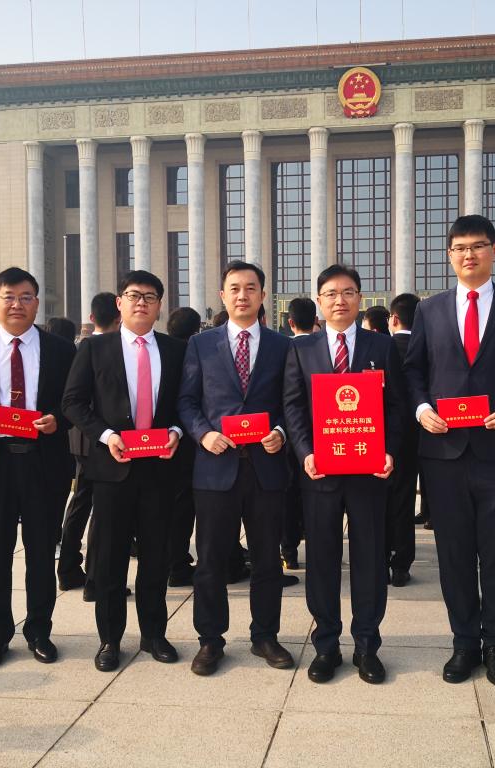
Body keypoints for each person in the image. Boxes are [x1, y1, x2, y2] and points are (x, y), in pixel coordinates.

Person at [403, 214, 495, 688]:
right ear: (450, 255)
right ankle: (464, 641)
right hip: (443, 452)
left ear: (494, 251)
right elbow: (414, 370)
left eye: (478, 246)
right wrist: (422, 408)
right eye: (460, 247)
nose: (469, 254)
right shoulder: (430, 310)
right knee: (454, 553)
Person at [283, 265, 402, 684]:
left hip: (369, 472)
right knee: (322, 559)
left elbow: (397, 407)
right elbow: (293, 406)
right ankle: (326, 644)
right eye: (331, 293)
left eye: (348, 292)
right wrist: (305, 452)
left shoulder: (382, 347)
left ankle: (367, 644)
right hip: (321, 473)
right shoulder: (301, 349)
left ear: (360, 299)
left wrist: (389, 450)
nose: (340, 300)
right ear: (319, 301)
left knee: (370, 558)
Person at [63, 271, 186, 672]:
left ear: (160, 305)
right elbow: (73, 402)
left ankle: (154, 634)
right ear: (119, 303)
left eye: (150, 297)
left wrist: (176, 430)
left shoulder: (176, 350)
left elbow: (186, 401)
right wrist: (106, 435)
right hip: (112, 470)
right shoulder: (94, 348)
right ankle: (109, 639)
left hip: (160, 471)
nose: (141, 303)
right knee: (110, 560)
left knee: (156, 557)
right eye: (133, 295)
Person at [177, 260, 294, 677]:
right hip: (215, 467)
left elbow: (291, 402)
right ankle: (210, 639)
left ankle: (265, 635)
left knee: (267, 560)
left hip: (266, 469)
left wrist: (280, 430)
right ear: (222, 296)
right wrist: (203, 434)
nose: (242, 295)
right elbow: (187, 401)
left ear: (263, 295)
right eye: (234, 288)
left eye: (251, 288)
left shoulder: (283, 346)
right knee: (210, 560)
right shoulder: (201, 345)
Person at [0, 267, 76, 670]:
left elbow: (75, 402)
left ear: (37, 304)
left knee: (41, 554)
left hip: (43, 462)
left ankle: (39, 631)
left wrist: (59, 419)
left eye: (26, 297)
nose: (17, 304)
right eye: (8, 297)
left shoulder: (61, 349)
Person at [59, 293, 121, 600]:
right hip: (99, 440)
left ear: (92, 317)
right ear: (119, 316)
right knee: (100, 511)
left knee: (81, 503)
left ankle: (69, 567)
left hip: (81, 440)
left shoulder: (77, 347)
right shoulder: (97, 349)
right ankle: (94, 578)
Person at [165, 306, 203, 587]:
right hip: (187, 440)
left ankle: (174, 560)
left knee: (173, 505)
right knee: (184, 506)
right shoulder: (190, 352)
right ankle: (177, 564)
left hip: (165, 439)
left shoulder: (164, 350)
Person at [280, 296, 317, 571]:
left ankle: (289, 553)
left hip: (290, 439)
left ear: (290, 322)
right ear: (316, 321)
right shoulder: (320, 348)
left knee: (289, 497)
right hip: (321, 438)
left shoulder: (283, 348)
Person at [387, 292, 421, 585]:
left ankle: (382, 555)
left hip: (384, 436)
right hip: (421, 435)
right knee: (405, 500)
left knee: (382, 500)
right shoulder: (428, 347)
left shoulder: (381, 347)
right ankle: (402, 563)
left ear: (394, 318)